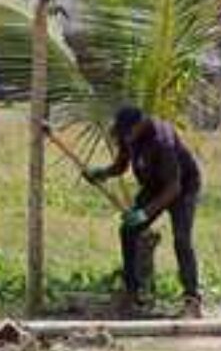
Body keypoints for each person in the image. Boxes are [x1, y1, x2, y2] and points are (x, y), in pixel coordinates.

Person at [86, 105, 205, 318]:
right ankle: (133, 293)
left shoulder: (163, 140)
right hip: (154, 186)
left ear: (140, 125)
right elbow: (121, 165)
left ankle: (192, 299)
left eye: (128, 133)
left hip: (183, 187)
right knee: (128, 231)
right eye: (123, 135)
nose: (126, 138)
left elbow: (174, 187)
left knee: (182, 239)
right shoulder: (127, 135)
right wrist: (102, 173)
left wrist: (144, 213)